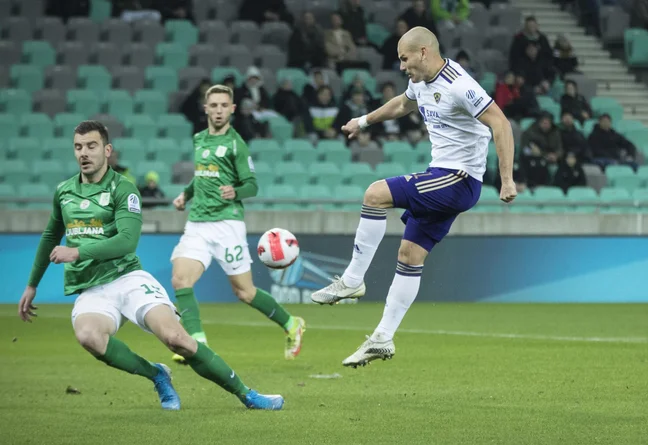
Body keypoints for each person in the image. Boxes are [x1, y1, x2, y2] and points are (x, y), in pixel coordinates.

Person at [17, 120, 284, 411]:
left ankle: (247, 395)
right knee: (89, 337)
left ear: (107, 150)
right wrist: (32, 284)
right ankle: (156, 374)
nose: (84, 153)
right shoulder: (64, 192)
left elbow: (127, 242)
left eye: (91, 146)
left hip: (128, 279)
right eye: (78, 147)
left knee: (177, 339)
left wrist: (77, 252)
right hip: (91, 288)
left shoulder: (124, 189)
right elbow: (49, 237)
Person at [310, 26, 516, 367]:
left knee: (375, 194)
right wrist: (363, 121)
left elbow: (501, 124)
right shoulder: (420, 82)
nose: (402, 67)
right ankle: (383, 338)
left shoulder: (459, 85)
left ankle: (351, 280)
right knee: (409, 254)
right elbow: (402, 105)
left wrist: (506, 180)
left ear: (424, 52)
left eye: (405, 59)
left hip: (457, 179)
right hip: (443, 177)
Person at [170, 85, 306, 364]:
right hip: (197, 223)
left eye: (223, 105)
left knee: (244, 292)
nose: (218, 110)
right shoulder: (198, 139)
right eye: (213, 105)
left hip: (227, 224)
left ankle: (292, 324)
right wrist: (186, 193)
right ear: (205, 109)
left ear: (231, 110)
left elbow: (252, 185)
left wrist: (236, 191)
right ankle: (197, 342)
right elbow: (202, 175)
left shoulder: (236, 144)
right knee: (180, 280)